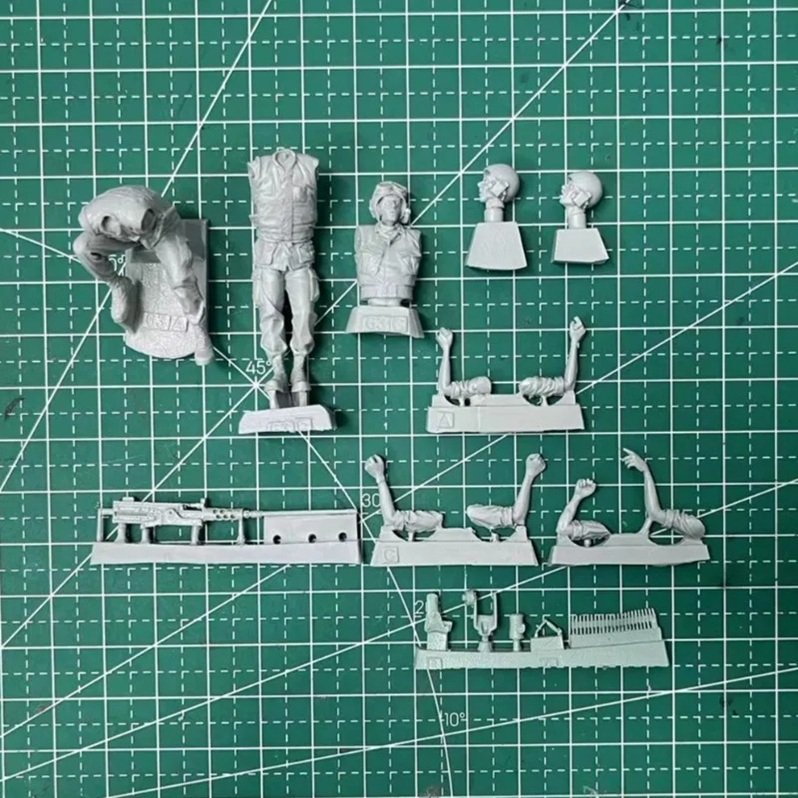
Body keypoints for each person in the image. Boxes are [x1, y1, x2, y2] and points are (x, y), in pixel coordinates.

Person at [73, 185, 213, 366]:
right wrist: (122, 237)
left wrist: (140, 235)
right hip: (131, 236)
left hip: (162, 231)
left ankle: (200, 331)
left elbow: (149, 226)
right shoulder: (89, 217)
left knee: (181, 280)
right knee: (82, 247)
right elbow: (106, 232)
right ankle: (118, 284)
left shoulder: (141, 215)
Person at [248, 148, 320, 402]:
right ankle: (277, 367)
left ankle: (299, 366)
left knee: (305, 309)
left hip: (300, 251)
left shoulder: (309, 165)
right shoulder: (260, 167)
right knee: (269, 310)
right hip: (269, 253)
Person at [355, 181, 421, 307]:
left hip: (400, 294)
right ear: (378, 208)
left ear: (403, 209)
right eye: (387, 204)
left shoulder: (413, 238)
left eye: (396, 203)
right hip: (371, 293)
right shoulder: (364, 234)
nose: (393, 208)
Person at [621, 449, 706, 539]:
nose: (682, 514)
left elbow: (654, 512)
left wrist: (645, 471)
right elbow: (653, 514)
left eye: (685, 518)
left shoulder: (670, 520)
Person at [518, 317, 586, 402]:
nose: (542, 380)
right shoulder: (527, 385)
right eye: (540, 382)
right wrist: (574, 341)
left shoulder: (526, 385)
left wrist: (574, 341)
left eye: (540, 381)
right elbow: (568, 385)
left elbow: (568, 385)